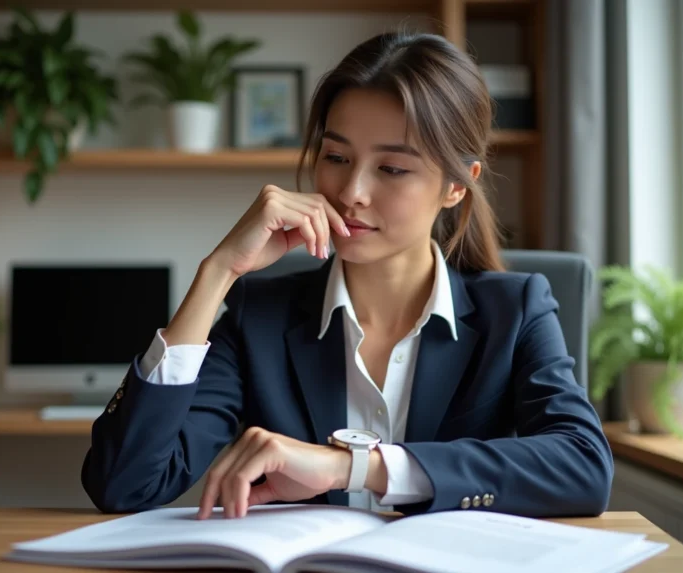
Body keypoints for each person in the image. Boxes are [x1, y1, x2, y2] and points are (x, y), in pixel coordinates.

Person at [81, 31, 614, 519]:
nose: (351, 190)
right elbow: (125, 484)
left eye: (391, 168)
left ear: (457, 185)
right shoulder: (259, 316)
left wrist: (352, 468)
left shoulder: (516, 310)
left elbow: (583, 466)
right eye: (336, 156)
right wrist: (218, 272)